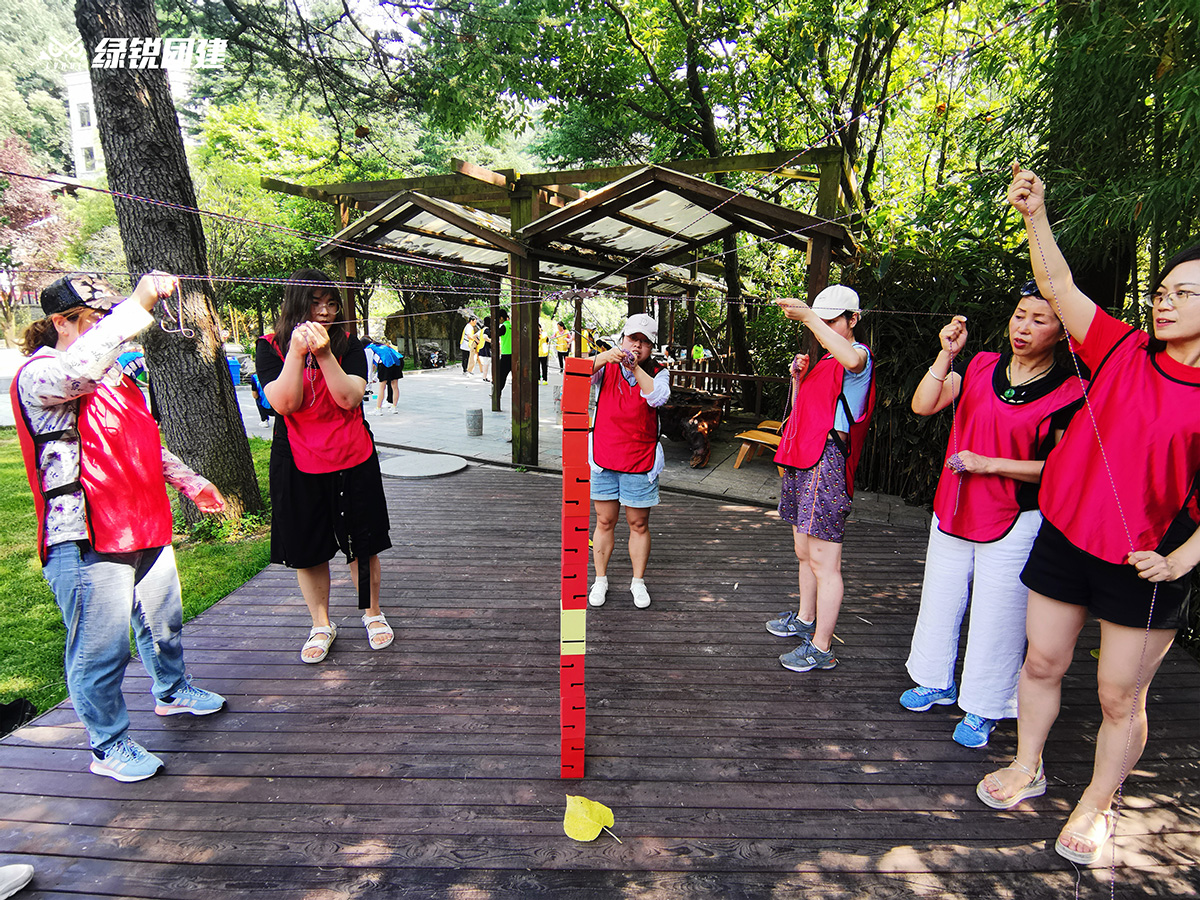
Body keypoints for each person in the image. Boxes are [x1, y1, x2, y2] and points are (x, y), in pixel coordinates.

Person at [975, 165, 1200, 866]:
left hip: (1146, 559)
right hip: (1067, 534)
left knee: (1116, 697)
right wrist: (1035, 215)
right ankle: (1028, 764)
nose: (1164, 305)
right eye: (1161, 292)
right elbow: (1059, 289)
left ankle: (1100, 803)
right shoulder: (1124, 346)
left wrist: (1182, 560)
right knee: (1042, 660)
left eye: (1183, 295)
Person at [11, 272, 227, 782]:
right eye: (94, 320)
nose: (112, 330)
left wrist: (190, 480)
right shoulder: (39, 374)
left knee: (163, 621)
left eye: (110, 319)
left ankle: (172, 693)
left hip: (141, 521)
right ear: (61, 322)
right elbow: (77, 372)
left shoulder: (114, 377)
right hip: (83, 534)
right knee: (101, 648)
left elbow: (143, 440)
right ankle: (108, 745)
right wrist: (138, 303)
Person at [900, 284, 1083, 749]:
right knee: (940, 599)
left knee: (998, 615)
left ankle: (984, 705)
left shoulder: (1069, 390)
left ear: (1064, 333)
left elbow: (1064, 468)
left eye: (1039, 320)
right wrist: (946, 356)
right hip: (954, 506)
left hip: (1015, 516)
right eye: (1020, 315)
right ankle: (934, 680)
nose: (1023, 327)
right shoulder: (981, 365)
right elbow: (923, 405)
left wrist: (990, 464)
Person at [256, 269, 394, 664]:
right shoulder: (269, 347)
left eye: (331, 303)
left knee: (362, 545)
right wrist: (297, 354)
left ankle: (372, 613)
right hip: (297, 462)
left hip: (353, 457)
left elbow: (350, 398)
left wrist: (324, 353)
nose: (326, 311)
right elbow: (284, 404)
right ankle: (321, 624)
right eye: (316, 303)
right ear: (296, 304)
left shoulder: (348, 344)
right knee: (308, 549)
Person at [767, 285, 876, 673]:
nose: (825, 326)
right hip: (802, 457)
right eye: (822, 318)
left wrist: (811, 318)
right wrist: (798, 379)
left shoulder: (857, 356)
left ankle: (822, 646)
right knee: (802, 550)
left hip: (827, 461)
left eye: (833, 320)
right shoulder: (824, 360)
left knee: (824, 560)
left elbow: (852, 360)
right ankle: (805, 618)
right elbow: (802, 414)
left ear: (853, 320)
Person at [588, 313, 671, 610]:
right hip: (604, 455)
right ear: (622, 338)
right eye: (632, 338)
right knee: (604, 520)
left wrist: (635, 369)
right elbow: (578, 376)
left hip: (640, 458)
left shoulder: (658, 371)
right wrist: (603, 357)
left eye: (644, 342)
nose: (637, 345)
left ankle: (638, 581)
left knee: (638, 523)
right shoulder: (605, 365)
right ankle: (600, 579)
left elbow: (658, 397)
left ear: (651, 347)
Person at [366, 340, 403, 415]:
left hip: (385, 364)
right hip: (396, 363)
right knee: (395, 386)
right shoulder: (382, 346)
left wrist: (369, 378)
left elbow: (370, 365)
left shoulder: (368, 349)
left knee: (382, 387)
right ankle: (394, 407)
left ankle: (378, 409)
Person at [495, 310, 512, 391]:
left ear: (501, 318)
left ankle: (497, 391)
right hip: (514, 355)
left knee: (501, 375)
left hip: (506, 355)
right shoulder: (512, 326)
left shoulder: (503, 327)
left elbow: (494, 334)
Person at [478, 317, 492, 381]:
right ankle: (484, 377)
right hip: (486, 348)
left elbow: (474, 336)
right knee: (486, 364)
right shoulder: (487, 329)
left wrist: (478, 342)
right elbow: (485, 337)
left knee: (485, 364)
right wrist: (491, 341)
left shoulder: (482, 329)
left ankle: (484, 377)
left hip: (481, 347)